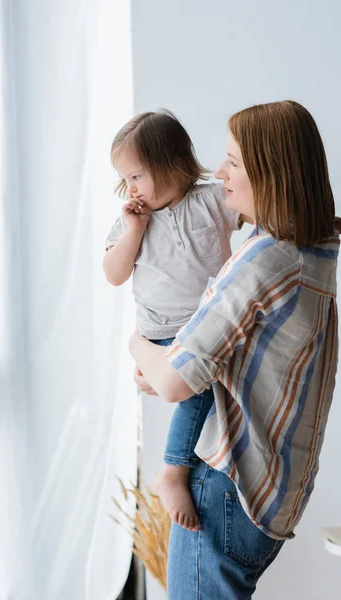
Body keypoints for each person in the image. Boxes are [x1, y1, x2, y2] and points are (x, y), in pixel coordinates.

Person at [129, 100, 339, 599]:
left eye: (234, 162)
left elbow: (174, 379)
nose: (219, 172)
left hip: (225, 492)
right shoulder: (318, 252)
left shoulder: (265, 259)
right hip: (272, 500)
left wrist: (137, 344)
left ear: (271, 174)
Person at [103, 109, 244, 531]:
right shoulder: (132, 221)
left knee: (218, 395)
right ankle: (173, 472)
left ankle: (201, 467)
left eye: (138, 176)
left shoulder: (212, 201)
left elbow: (264, 214)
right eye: (126, 178)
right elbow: (113, 275)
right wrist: (133, 231)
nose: (131, 187)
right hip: (161, 334)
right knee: (198, 390)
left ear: (173, 166)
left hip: (206, 329)